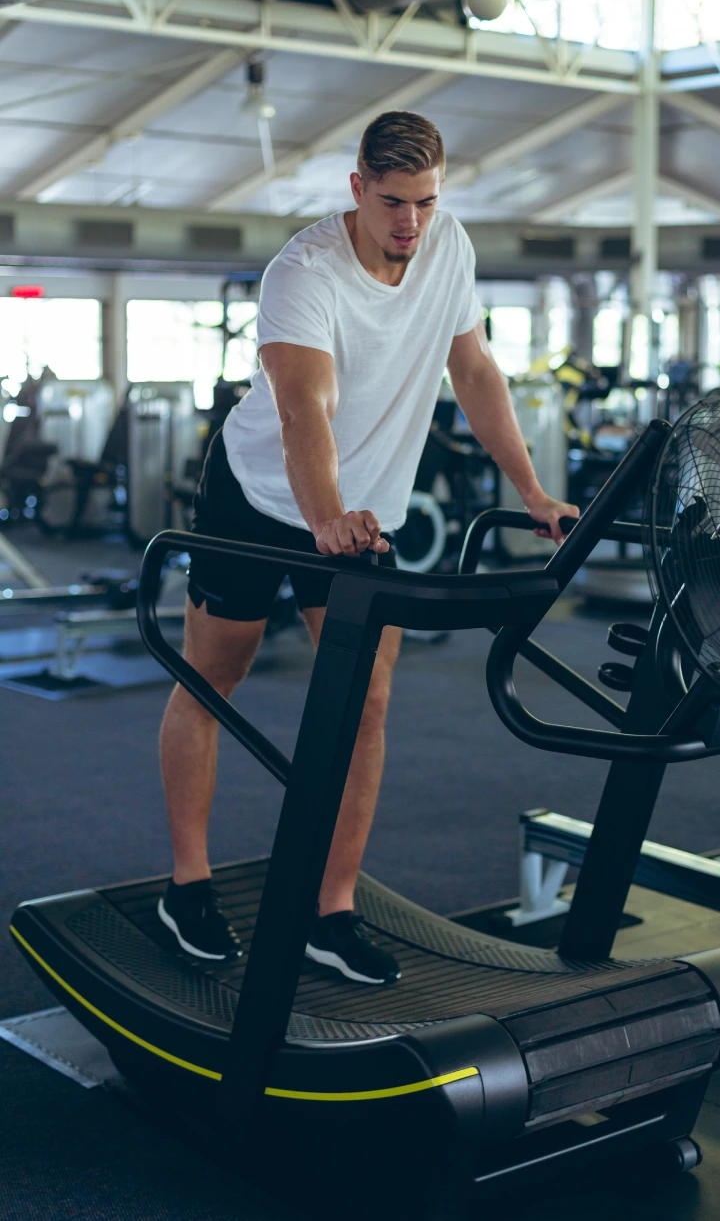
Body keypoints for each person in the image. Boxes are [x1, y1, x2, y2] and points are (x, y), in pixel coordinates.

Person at [157, 110, 578, 983]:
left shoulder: (448, 247)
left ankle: (331, 907)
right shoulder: (302, 272)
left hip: (365, 516)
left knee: (368, 704)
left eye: (425, 202)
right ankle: (186, 886)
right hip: (259, 498)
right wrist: (323, 517)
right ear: (356, 189)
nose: (410, 225)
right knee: (211, 681)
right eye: (392, 202)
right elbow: (301, 407)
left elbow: (474, 371)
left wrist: (530, 491)